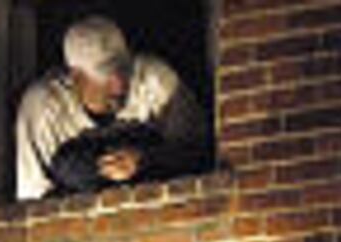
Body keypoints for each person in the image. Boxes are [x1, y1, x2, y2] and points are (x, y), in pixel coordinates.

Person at [16, 16, 209, 200]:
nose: (119, 86)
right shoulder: (43, 108)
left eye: (123, 70)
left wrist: (145, 160)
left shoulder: (155, 79)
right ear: (76, 78)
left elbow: (200, 151)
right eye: (105, 76)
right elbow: (33, 201)